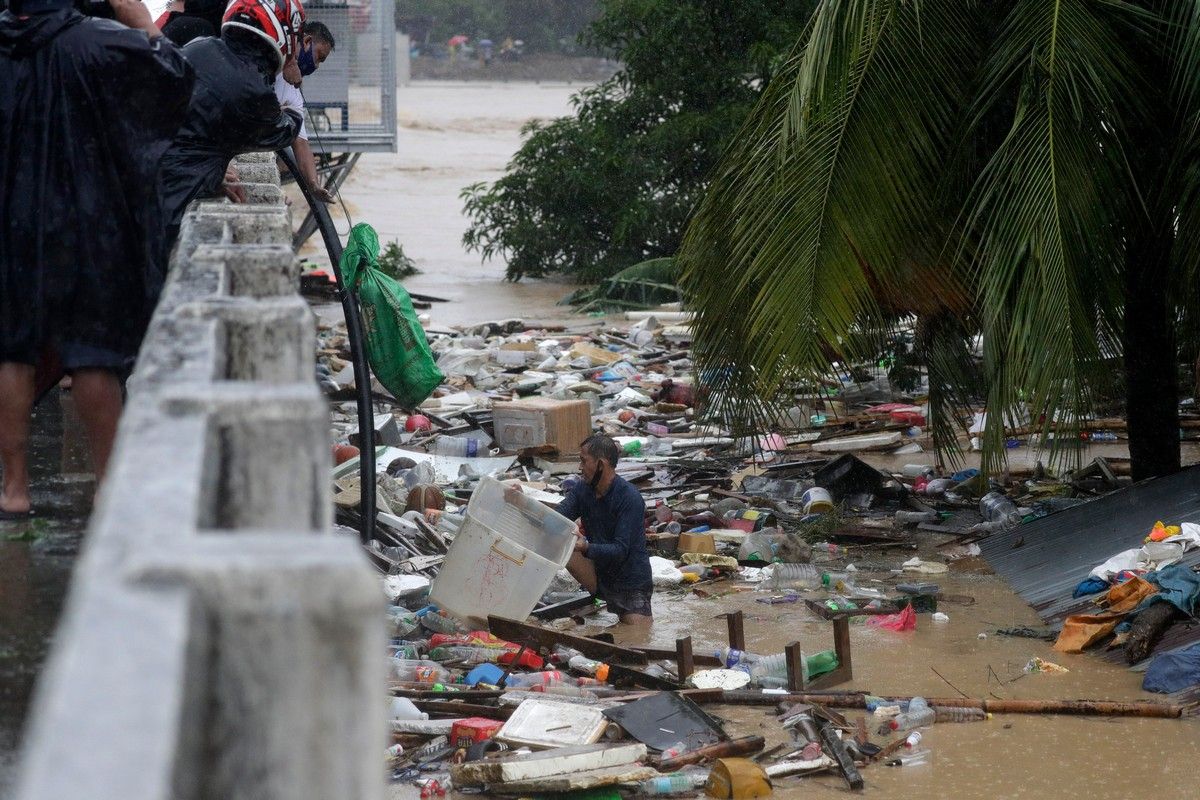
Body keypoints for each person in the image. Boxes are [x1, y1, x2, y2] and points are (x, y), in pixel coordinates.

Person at [0, 0, 194, 518]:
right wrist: (135, 15)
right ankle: (109, 487)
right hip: (87, 219)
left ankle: (13, 489)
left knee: (13, 346)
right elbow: (176, 76)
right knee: (93, 352)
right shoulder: (98, 42)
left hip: (11, 216)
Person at [157, 0, 306, 255]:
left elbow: (192, 138)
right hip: (168, 204)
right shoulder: (252, 89)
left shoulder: (200, 47)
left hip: (145, 181)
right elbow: (283, 130)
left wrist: (212, 177)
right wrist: (293, 107)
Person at [556, 434, 653, 625]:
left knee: (636, 637)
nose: (580, 468)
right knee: (561, 540)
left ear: (600, 464)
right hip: (600, 575)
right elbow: (558, 517)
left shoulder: (629, 498)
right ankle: (600, 598)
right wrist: (520, 500)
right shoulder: (582, 490)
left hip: (630, 584)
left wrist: (586, 547)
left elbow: (620, 549)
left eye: (583, 461)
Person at [275, 19, 336, 202]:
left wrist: (314, 185)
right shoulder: (270, 58)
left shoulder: (293, 93)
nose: (316, 66)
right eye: (319, 57)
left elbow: (301, 143)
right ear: (307, 42)